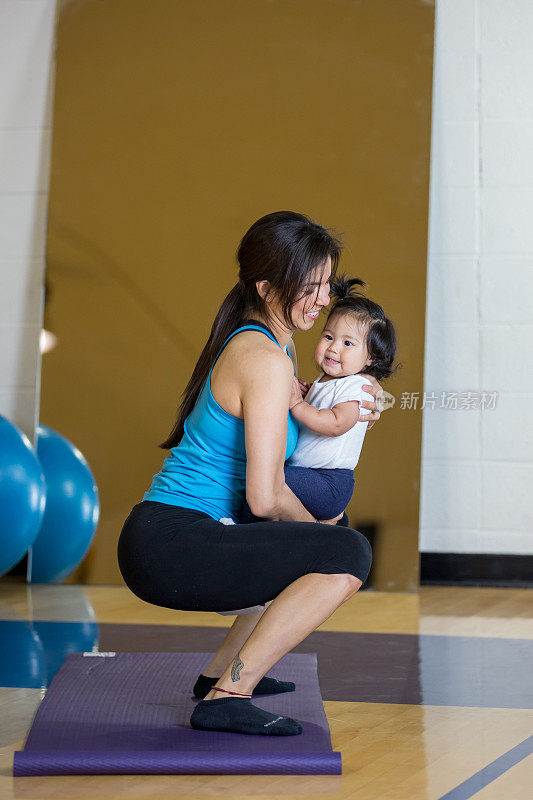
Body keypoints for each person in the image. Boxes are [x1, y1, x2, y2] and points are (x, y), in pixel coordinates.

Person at [117, 211, 382, 737]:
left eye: (326, 285)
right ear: (267, 287)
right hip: (171, 543)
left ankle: (219, 673)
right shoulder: (264, 357)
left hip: (180, 531)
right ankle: (227, 695)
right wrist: (322, 532)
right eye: (310, 287)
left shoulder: (272, 345)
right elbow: (265, 498)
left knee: (327, 525)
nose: (323, 300)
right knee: (347, 552)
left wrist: (347, 393)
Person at [238, 274, 397, 524]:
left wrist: (297, 405)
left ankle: (241, 530)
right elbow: (324, 403)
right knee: (272, 483)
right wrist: (306, 392)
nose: (334, 348)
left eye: (348, 343)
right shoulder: (328, 380)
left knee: (271, 481)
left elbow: (335, 423)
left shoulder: (357, 387)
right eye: (329, 337)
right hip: (313, 476)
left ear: (370, 359)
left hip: (329, 480)